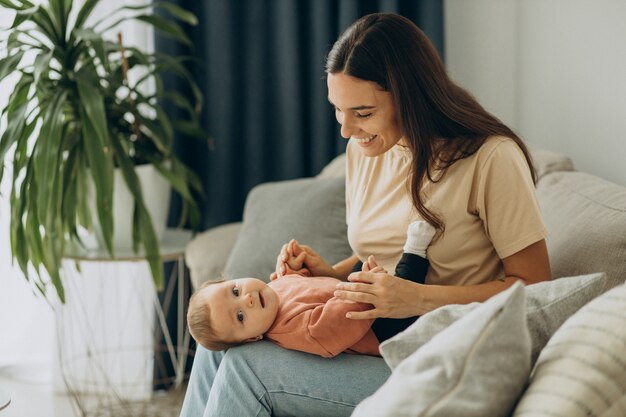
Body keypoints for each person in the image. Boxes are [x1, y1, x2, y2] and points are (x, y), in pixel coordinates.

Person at [180, 12, 551, 417]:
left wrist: (419, 298)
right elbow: (384, 254)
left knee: (246, 368)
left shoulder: (491, 158)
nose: (346, 130)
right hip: (375, 343)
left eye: (362, 112)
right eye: (338, 110)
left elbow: (533, 287)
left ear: (410, 96)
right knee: (214, 346)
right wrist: (331, 275)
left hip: (441, 356)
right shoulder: (365, 151)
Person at [186, 221, 436, 357]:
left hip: (353, 297)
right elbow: (333, 325)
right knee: (398, 308)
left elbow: (301, 288)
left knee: (364, 264)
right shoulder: (292, 328)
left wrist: (295, 268)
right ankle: (414, 253)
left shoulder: (272, 290)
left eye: (235, 291)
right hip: (376, 330)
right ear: (253, 338)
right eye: (240, 316)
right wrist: (361, 289)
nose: (248, 300)